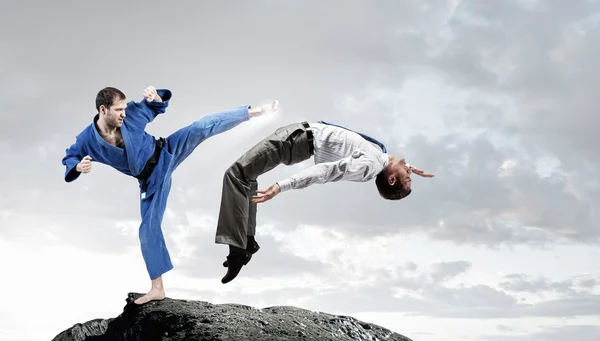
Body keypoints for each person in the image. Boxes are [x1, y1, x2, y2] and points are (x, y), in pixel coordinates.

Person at [61, 85, 278, 304]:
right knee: (147, 229)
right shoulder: (87, 139)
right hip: (151, 180)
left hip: (166, 151)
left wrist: (155, 97)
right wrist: (78, 167)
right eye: (118, 110)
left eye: (124, 108)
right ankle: (157, 289)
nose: (124, 114)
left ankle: (254, 112)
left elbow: (155, 105)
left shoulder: (132, 114)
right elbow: (71, 155)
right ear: (103, 110)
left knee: (201, 127)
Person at [215, 120, 434, 283]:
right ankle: (246, 242)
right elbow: (389, 158)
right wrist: (406, 167)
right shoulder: (379, 157)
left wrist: (281, 186)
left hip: (298, 139)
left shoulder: (369, 165)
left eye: (407, 177)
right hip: (301, 138)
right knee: (247, 177)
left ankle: (237, 250)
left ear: (392, 178)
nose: (409, 171)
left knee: (235, 174)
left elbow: (325, 172)